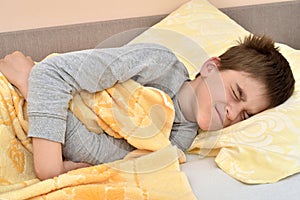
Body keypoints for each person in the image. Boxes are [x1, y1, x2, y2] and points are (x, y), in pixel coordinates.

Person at [0, 34, 295, 180]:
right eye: (236, 93)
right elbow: (52, 74)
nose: (231, 112)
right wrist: (50, 168)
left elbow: (103, 155)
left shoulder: (180, 141)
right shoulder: (158, 64)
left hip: (38, 110)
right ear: (210, 67)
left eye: (245, 115)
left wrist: (31, 87)